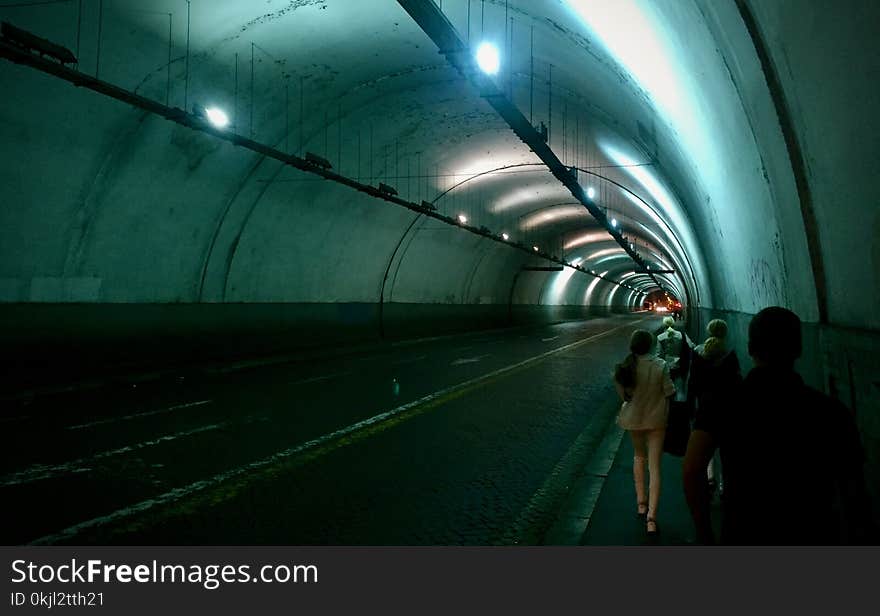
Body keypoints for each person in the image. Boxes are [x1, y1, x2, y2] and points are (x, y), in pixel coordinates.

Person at [683, 307, 872, 544]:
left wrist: (705, 534)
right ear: (798, 350)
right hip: (814, 534)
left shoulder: (723, 403)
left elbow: (692, 470)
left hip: (744, 533)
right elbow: (853, 492)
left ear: (751, 349)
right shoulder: (832, 411)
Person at [614, 329, 676, 535]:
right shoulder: (660, 365)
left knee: (638, 457)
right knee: (655, 466)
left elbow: (623, 398)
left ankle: (641, 503)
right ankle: (652, 517)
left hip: (634, 420)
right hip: (657, 420)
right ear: (651, 345)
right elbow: (669, 392)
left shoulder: (625, 368)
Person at [687, 319, 742, 494]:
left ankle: (709, 478)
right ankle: (726, 487)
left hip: (704, 410)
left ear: (708, 331)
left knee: (704, 452)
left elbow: (693, 384)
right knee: (727, 452)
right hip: (727, 411)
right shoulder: (729, 355)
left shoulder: (698, 352)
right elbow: (737, 386)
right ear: (724, 333)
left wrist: (690, 407)